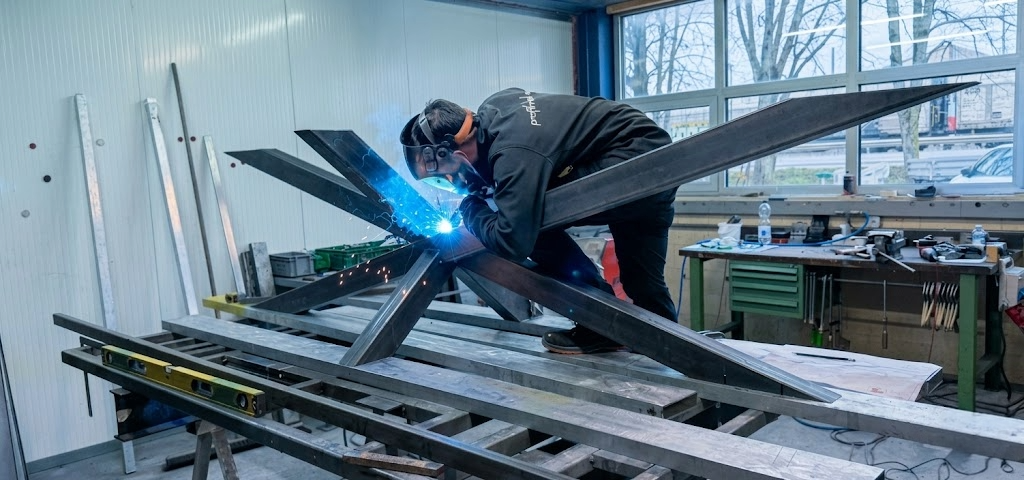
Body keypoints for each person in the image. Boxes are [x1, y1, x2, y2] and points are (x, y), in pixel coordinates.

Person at [399, 88, 678, 354]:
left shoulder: (514, 152)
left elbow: (513, 241)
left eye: (440, 177)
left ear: (454, 153)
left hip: (632, 160)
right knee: (643, 284)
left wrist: (472, 211)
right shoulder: (496, 110)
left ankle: (599, 319)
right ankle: (676, 354)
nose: (448, 184)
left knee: (527, 223)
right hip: (653, 161)